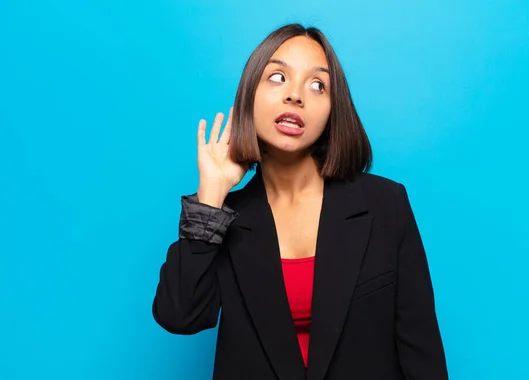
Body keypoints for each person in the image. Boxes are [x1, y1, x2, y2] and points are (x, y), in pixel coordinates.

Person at [152, 23, 448, 380]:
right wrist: (211, 198)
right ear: (249, 96)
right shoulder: (224, 218)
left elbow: (423, 356)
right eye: (278, 77)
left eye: (317, 85)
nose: (296, 95)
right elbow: (179, 315)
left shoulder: (385, 203)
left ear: (331, 111)